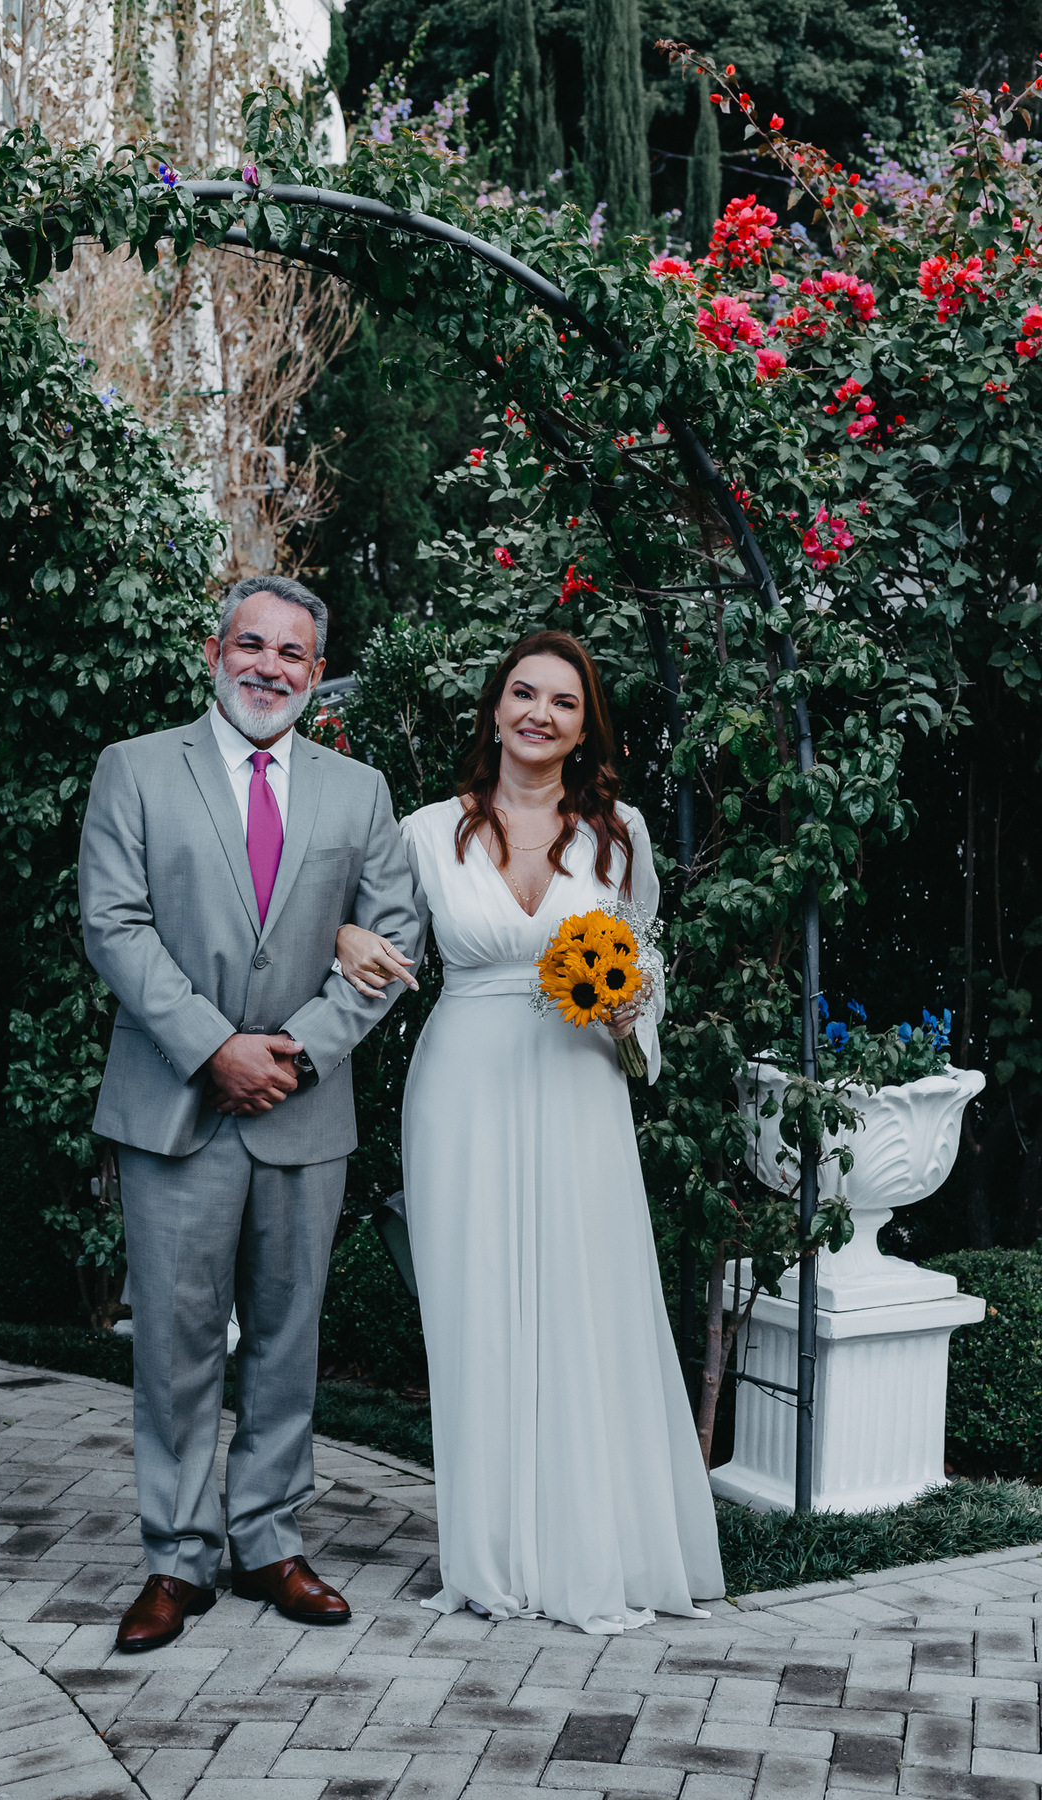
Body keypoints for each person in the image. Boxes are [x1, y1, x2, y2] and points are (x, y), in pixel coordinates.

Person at [335, 629, 724, 1634]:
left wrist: (632, 1013)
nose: (538, 714)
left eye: (562, 701)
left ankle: (595, 1546)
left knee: (584, 1303)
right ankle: (492, 1556)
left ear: (585, 727)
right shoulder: (427, 832)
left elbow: (645, 966)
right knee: (474, 1311)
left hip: (579, 1083)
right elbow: (372, 937)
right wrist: (345, 934)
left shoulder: (621, 835)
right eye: (523, 693)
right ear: (496, 708)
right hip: (461, 1087)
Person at [79, 574, 423, 1652]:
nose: (270, 667)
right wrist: (213, 1049)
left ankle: (268, 1538)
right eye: (252, 645)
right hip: (174, 1103)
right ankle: (177, 1557)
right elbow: (114, 923)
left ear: (317, 673)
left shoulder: (358, 791)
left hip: (302, 1111)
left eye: (292, 653)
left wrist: (301, 1052)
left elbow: (392, 934)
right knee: (175, 1341)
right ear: (215, 652)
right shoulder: (136, 768)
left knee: (286, 1338)